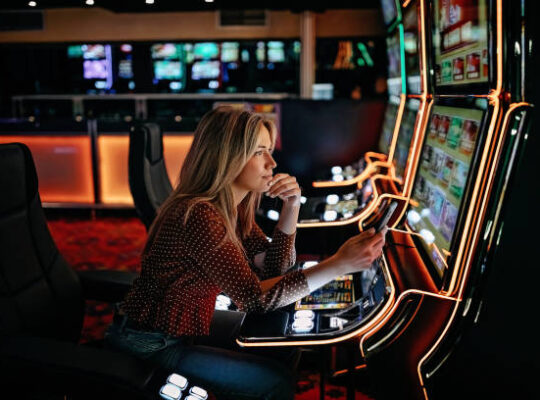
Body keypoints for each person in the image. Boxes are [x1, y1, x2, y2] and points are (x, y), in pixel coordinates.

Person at [105, 106, 387, 400]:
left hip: (186, 324)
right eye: (259, 152)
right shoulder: (200, 214)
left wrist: (291, 208)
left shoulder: (234, 207)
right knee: (273, 382)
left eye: (269, 150)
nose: (272, 162)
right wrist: (339, 264)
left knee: (280, 343)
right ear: (227, 158)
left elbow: (274, 269)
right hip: (151, 342)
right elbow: (255, 298)